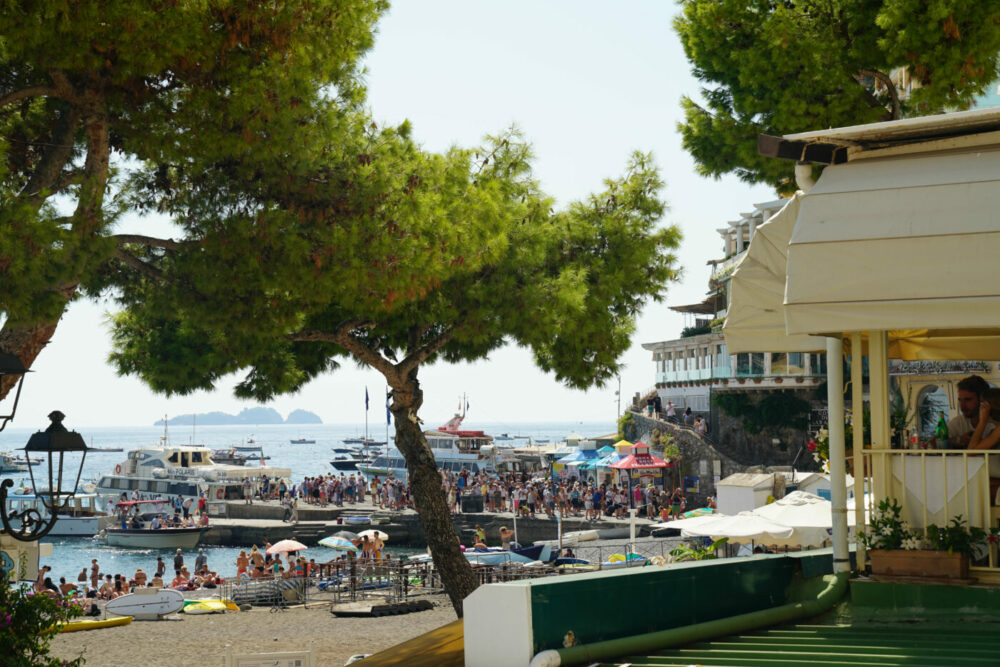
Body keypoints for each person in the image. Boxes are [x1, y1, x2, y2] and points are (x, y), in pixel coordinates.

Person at [949, 375, 995, 447]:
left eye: (968, 400)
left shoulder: (995, 423)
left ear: (982, 400)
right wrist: (958, 440)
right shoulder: (958, 423)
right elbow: (933, 443)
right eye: (960, 400)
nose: (962, 406)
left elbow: (972, 451)